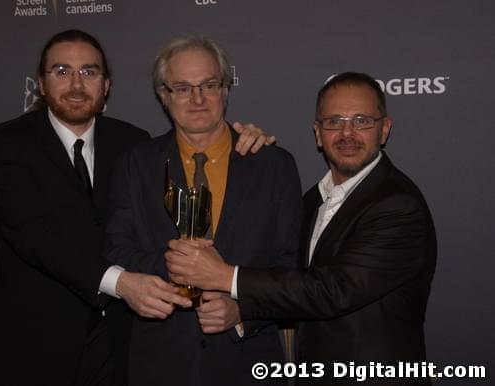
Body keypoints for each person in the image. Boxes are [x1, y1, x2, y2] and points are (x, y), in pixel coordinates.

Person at [0, 29, 273, 386]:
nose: (77, 84)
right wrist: (122, 283)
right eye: (62, 71)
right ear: (40, 82)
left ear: (107, 84)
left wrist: (238, 136)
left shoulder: (133, 143)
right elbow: (36, 237)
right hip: (32, 348)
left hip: (120, 350)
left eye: (90, 72)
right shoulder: (5, 145)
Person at [166, 72, 437, 385]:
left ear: (384, 129)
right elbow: (293, 282)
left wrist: (225, 276)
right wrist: (241, 311)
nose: (347, 133)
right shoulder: (312, 200)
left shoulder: (398, 205)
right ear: (318, 133)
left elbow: (332, 290)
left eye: (361, 120)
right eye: (334, 122)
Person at [103, 35, 303, 386]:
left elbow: (292, 270)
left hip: (249, 365)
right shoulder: (134, 165)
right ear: (164, 96)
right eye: (182, 88)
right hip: (159, 366)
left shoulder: (273, 165)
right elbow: (116, 249)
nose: (197, 98)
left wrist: (244, 312)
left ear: (226, 89)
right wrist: (175, 266)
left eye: (209, 84)